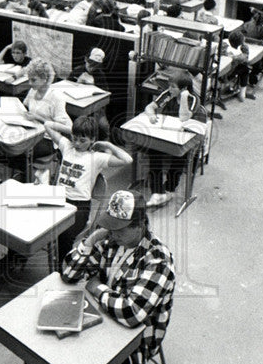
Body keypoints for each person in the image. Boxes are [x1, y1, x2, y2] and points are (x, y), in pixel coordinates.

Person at [57, 188, 176, 364]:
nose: (111, 233)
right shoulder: (110, 241)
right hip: (103, 321)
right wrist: (89, 242)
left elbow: (131, 314)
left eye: (119, 229)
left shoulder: (158, 260)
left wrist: (97, 288)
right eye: (108, 226)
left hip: (134, 343)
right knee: (55, 356)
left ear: (140, 224)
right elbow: (68, 274)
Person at [45, 115, 133, 259]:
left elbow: (127, 159)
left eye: (82, 140)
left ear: (92, 139)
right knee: (33, 221)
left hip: (79, 205)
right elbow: (48, 124)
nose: (77, 143)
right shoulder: (67, 146)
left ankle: (63, 269)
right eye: (75, 138)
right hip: (59, 199)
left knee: (64, 235)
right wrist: (76, 130)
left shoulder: (96, 157)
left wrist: (107, 145)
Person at [144, 68, 207, 207]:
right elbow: (150, 106)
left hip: (189, 136)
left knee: (180, 154)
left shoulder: (193, 99)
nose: (169, 89)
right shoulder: (168, 94)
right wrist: (151, 114)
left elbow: (184, 117)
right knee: (153, 149)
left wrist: (183, 97)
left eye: (173, 87)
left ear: (184, 88)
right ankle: (157, 192)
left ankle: (170, 189)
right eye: (169, 86)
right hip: (170, 133)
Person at [23, 59, 73, 179]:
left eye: (33, 80)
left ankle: (30, 178)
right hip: (31, 131)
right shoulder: (32, 91)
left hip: (48, 138)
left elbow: (63, 127)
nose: (30, 83)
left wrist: (38, 118)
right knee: (15, 147)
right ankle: (26, 175)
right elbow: (25, 106)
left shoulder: (56, 97)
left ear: (44, 78)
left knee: (22, 150)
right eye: (29, 79)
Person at [221, 29, 256, 102]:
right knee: (245, 68)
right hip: (226, 75)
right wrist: (244, 45)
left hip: (221, 71)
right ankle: (242, 94)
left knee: (241, 67)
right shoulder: (239, 56)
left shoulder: (224, 46)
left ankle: (234, 88)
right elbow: (246, 58)